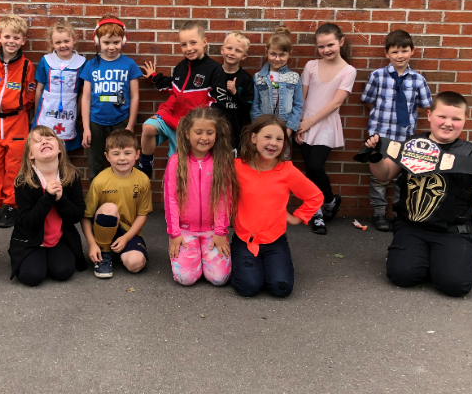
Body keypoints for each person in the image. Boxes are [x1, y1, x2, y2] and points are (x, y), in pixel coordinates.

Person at [363, 92, 472, 297]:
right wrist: (375, 157)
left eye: (456, 118)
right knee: (402, 276)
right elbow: (385, 175)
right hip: (412, 226)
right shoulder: (411, 145)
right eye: (442, 116)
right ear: (429, 115)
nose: (448, 123)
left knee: (454, 286)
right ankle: (425, 258)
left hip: (453, 230)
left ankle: (440, 260)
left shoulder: (471, 154)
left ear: (465, 120)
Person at [230, 115, 323, 297]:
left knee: (281, 288)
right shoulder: (237, 167)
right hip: (245, 238)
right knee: (248, 287)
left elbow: (315, 196)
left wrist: (297, 217)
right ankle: (247, 266)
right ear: (254, 138)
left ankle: (265, 266)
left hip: (275, 239)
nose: (273, 143)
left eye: (279, 139)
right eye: (267, 137)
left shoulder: (287, 170)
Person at [361, 29, 432, 231]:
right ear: (387, 53)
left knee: (403, 178)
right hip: (380, 137)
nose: (399, 56)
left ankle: (401, 215)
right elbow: (368, 101)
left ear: (412, 51)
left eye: (404, 51)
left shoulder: (418, 80)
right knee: (379, 178)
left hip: (404, 138)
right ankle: (379, 214)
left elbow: (424, 105)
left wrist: (406, 116)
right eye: (394, 51)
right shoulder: (377, 76)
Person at [139, 21, 227, 178]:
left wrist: (200, 121)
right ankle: (145, 165)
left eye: (193, 43)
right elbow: (173, 86)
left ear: (204, 42)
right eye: (184, 45)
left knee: (178, 164)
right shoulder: (181, 66)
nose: (188, 48)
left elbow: (218, 102)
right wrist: (154, 77)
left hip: (189, 124)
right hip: (170, 114)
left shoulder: (215, 69)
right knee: (148, 128)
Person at [164, 108, 238, 286]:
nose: (204, 137)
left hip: (212, 230)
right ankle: (195, 256)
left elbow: (223, 199)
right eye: (198, 132)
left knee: (219, 279)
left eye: (209, 132)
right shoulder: (176, 162)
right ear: (187, 133)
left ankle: (204, 257)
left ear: (216, 134)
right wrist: (174, 234)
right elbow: (171, 199)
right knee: (185, 279)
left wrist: (220, 232)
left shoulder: (221, 162)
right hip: (185, 230)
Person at [296, 23, 357, 235]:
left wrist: (309, 123)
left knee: (315, 167)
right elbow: (302, 96)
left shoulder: (348, 71)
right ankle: (318, 213)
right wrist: (300, 124)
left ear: (341, 42)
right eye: (321, 46)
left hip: (325, 124)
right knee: (309, 171)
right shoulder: (311, 66)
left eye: (330, 44)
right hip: (305, 122)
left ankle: (329, 201)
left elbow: (336, 103)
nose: (326, 50)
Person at [8, 126, 88, 286]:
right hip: (30, 240)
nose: (44, 141)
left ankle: (50, 256)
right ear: (30, 154)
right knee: (32, 276)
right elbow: (27, 222)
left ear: (59, 148)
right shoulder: (23, 182)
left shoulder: (71, 176)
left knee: (63, 272)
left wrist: (61, 198)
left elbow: (77, 215)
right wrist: (48, 198)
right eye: (38, 141)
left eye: (49, 138)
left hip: (59, 238)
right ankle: (32, 258)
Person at [0, 15, 36, 228]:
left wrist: (19, 106)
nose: (12, 41)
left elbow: (30, 91)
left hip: (17, 122)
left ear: (23, 41)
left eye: (16, 38)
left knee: (15, 165)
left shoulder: (27, 65)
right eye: (8, 36)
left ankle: (11, 205)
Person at [82, 129, 153, 279]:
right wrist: (92, 244)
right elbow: (86, 216)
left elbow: (143, 214)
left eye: (127, 153)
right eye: (116, 154)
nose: (122, 158)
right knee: (110, 208)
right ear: (107, 156)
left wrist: (126, 238)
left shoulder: (143, 180)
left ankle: (120, 250)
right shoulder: (100, 181)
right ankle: (104, 251)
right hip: (103, 228)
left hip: (128, 231)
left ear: (137, 154)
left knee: (135, 264)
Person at [80, 16, 142, 182]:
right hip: (96, 122)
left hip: (121, 121)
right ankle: (96, 196)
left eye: (116, 42)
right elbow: (85, 98)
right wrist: (86, 128)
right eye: (106, 42)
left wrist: (130, 125)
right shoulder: (91, 65)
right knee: (96, 164)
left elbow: (135, 96)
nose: (112, 47)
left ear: (123, 40)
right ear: (97, 41)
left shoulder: (129, 64)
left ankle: (125, 194)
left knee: (123, 163)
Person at [31, 20, 86, 152]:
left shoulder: (82, 63)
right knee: (44, 143)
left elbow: (82, 94)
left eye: (66, 41)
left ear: (74, 40)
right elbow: (39, 90)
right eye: (58, 42)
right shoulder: (46, 61)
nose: (63, 45)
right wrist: (36, 112)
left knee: (63, 148)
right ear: (52, 43)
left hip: (68, 110)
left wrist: (77, 114)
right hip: (46, 110)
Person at [250, 26, 304, 160]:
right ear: (266, 52)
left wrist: (289, 129)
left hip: (285, 128)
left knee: (283, 161)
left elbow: (298, 105)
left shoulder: (294, 77)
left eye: (282, 55)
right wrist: (260, 127)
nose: (277, 58)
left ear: (289, 54)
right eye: (273, 54)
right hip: (264, 128)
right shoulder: (259, 77)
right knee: (263, 160)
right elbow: (254, 105)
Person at [214, 31, 255, 151]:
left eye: (238, 50)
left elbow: (247, 108)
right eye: (229, 48)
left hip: (235, 131)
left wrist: (235, 93)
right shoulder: (213, 74)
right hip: (213, 129)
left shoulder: (246, 79)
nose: (232, 53)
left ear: (244, 56)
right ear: (222, 50)